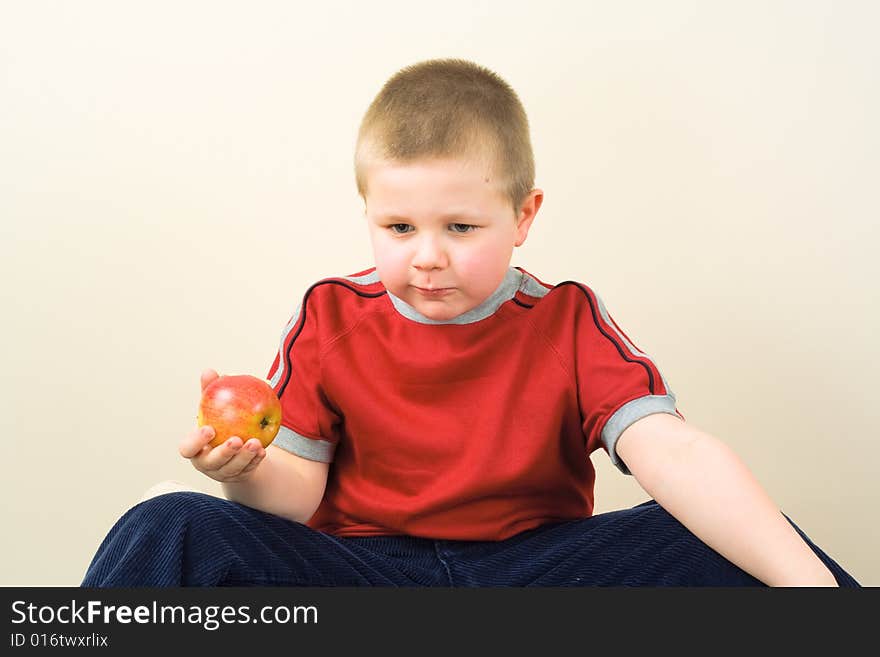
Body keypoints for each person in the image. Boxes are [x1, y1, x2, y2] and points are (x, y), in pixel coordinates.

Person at [82, 58, 858, 587]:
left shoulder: (567, 319)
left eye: (460, 228)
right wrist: (245, 471)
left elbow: (674, 453)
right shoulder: (329, 313)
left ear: (523, 217)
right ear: (368, 216)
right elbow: (294, 497)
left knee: (737, 531)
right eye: (397, 229)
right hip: (366, 571)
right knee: (169, 523)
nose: (427, 259)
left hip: (535, 570)